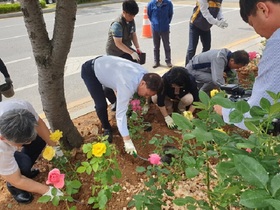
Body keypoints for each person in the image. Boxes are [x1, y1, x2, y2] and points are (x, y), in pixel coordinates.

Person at [214, 0, 280, 130]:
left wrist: (224, 111)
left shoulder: (277, 44)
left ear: (263, 9)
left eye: (252, 23)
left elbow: (259, 115)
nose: (257, 32)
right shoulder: (218, 58)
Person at [81, 55, 163, 154]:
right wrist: (127, 140)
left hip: (107, 69)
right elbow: (120, 115)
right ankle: (107, 127)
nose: (146, 97)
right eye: (146, 94)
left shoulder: (146, 74)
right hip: (91, 71)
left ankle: (109, 94)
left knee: (113, 91)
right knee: (101, 105)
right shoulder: (126, 85)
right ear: (143, 84)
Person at [0, 99, 62, 204]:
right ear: (3, 138)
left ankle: (24, 170)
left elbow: (40, 125)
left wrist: (56, 149)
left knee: (40, 139)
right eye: (21, 143)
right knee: (24, 164)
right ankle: (14, 187)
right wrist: (48, 191)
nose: (28, 144)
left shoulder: (22, 107)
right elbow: (17, 180)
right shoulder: (1, 149)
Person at [185, 48, 249, 95]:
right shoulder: (219, 58)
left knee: (220, 78)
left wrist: (237, 89)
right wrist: (227, 94)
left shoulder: (229, 56)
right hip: (193, 70)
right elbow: (217, 80)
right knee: (213, 80)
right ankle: (201, 95)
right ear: (232, 61)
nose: (237, 69)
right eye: (237, 67)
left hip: (205, 70)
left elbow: (233, 75)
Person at [185, 0, 228, 66]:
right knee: (192, 48)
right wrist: (217, 23)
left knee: (207, 47)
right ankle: (187, 68)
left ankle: (201, 65)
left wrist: (221, 19)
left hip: (206, 26)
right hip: (195, 24)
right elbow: (205, 13)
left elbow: (219, 10)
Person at [147, 0, 173, 68]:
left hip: (165, 28)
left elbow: (170, 14)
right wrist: (154, 23)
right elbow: (149, 15)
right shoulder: (151, 4)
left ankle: (168, 61)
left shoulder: (168, 3)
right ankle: (156, 61)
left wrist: (166, 22)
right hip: (155, 28)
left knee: (166, 45)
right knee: (156, 46)